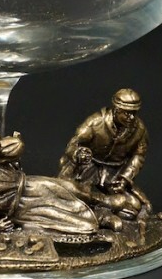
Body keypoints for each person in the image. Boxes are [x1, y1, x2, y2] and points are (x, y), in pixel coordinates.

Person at [59, 88, 151, 221]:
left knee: (133, 207)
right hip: (88, 166)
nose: (131, 117)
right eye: (127, 113)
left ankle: (94, 207)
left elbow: (139, 156)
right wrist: (78, 154)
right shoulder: (96, 122)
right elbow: (74, 143)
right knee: (66, 192)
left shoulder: (140, 130)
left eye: (134, 113)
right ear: (116, 110)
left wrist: (125, 178)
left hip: (114, 172)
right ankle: (99, 207)